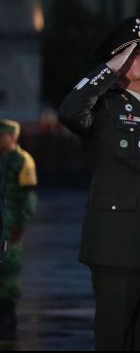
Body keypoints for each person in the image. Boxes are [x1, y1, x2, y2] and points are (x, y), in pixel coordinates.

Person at [58, 16, 140, 350]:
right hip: (116, 242)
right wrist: (109, 68)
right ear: (117, 62)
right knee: (114, 335)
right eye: (136, 52)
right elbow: (70, 111)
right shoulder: (104, 107)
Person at [0, 120, 37, 339]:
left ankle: (7, 315)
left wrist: (20, 225)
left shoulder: (22, 160)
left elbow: (29, 199)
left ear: (12, 137)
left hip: (11, 225)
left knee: (9, 270)